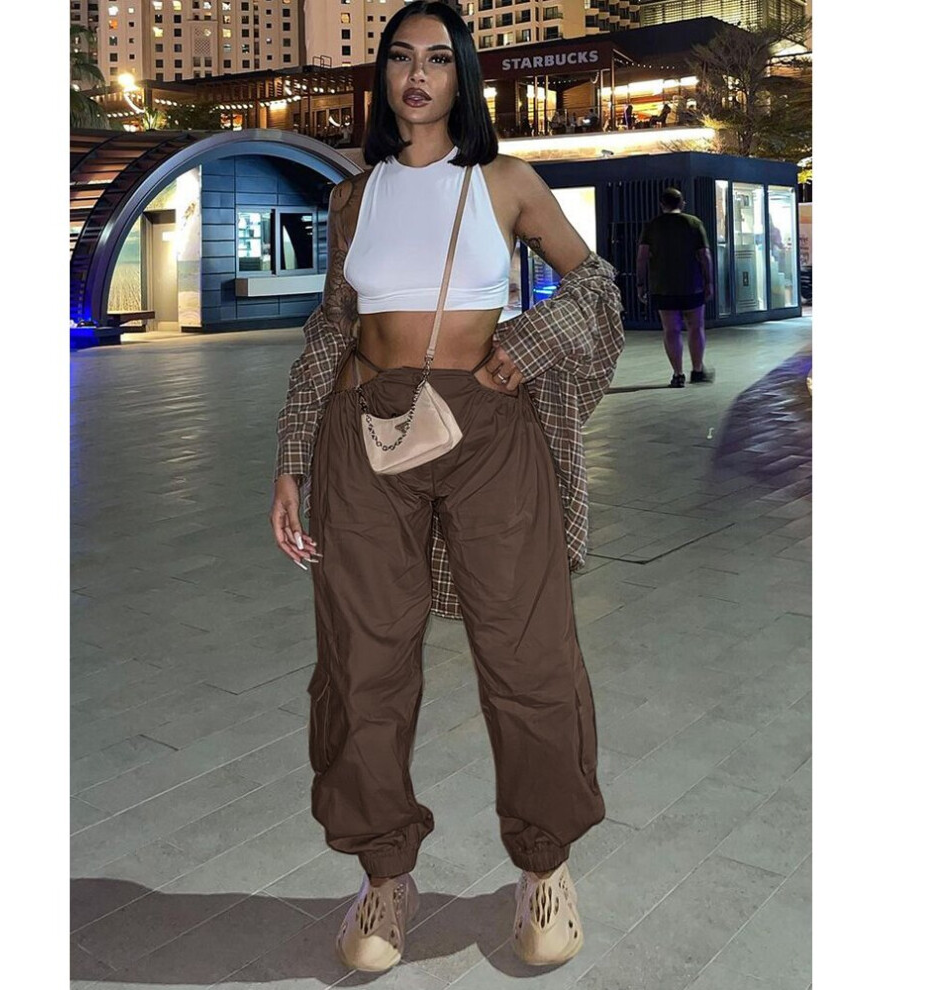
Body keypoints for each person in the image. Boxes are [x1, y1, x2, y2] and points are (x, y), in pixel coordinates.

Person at [269, 0, 624, 974]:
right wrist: (293, 457)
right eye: (400, 58)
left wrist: (530, 343)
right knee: (361, 663)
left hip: (487, 428)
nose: (417, 75)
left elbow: (594, 284)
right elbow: (329, 329)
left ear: (462, 77)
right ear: (382, 77)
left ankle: (544, 865)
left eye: (436, 58)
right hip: (362, 430)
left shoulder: (505, 182)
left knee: (529, 651)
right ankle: (384, 875)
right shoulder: (354, 198)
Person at [636, 187, 715, 387]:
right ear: (682, 203)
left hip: (663, 287)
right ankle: (697, 370)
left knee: (671, 330)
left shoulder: (652, 226)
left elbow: (642, 256)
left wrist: (641, 283)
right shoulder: (694, 223)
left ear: (662, 204)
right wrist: (709, 281)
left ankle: (678, 374)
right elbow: (705, 255)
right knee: (695, 327)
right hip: (692, 285)